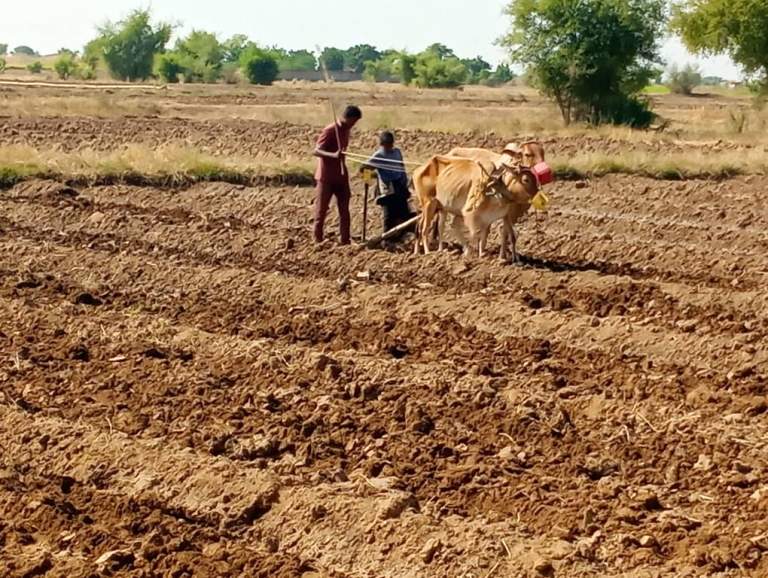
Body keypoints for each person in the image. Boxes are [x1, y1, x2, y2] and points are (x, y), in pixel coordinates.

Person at [313, 105, 362, 245]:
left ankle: (345, 240)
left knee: (344, 210)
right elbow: (316, 151)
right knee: (321, 210)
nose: (354, 125)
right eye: (353, 121)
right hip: (326, 177)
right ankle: (317, 240)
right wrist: (333, 155)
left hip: (341, 176)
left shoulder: (346, 131)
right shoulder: (330, 130)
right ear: (347, 118)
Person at [360, 131, 415, 238]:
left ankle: (402, 235)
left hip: (400, 186)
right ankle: (387, 239)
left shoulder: (397, 152)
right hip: (388, 190)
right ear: (382, 144)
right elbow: (364, 168)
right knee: (389, 216)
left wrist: (405, 182)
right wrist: (370, 177)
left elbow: (401, 167)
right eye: (386, 145)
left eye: (390, 144)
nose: (389, 147)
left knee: (404, 213)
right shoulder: (379, 155)